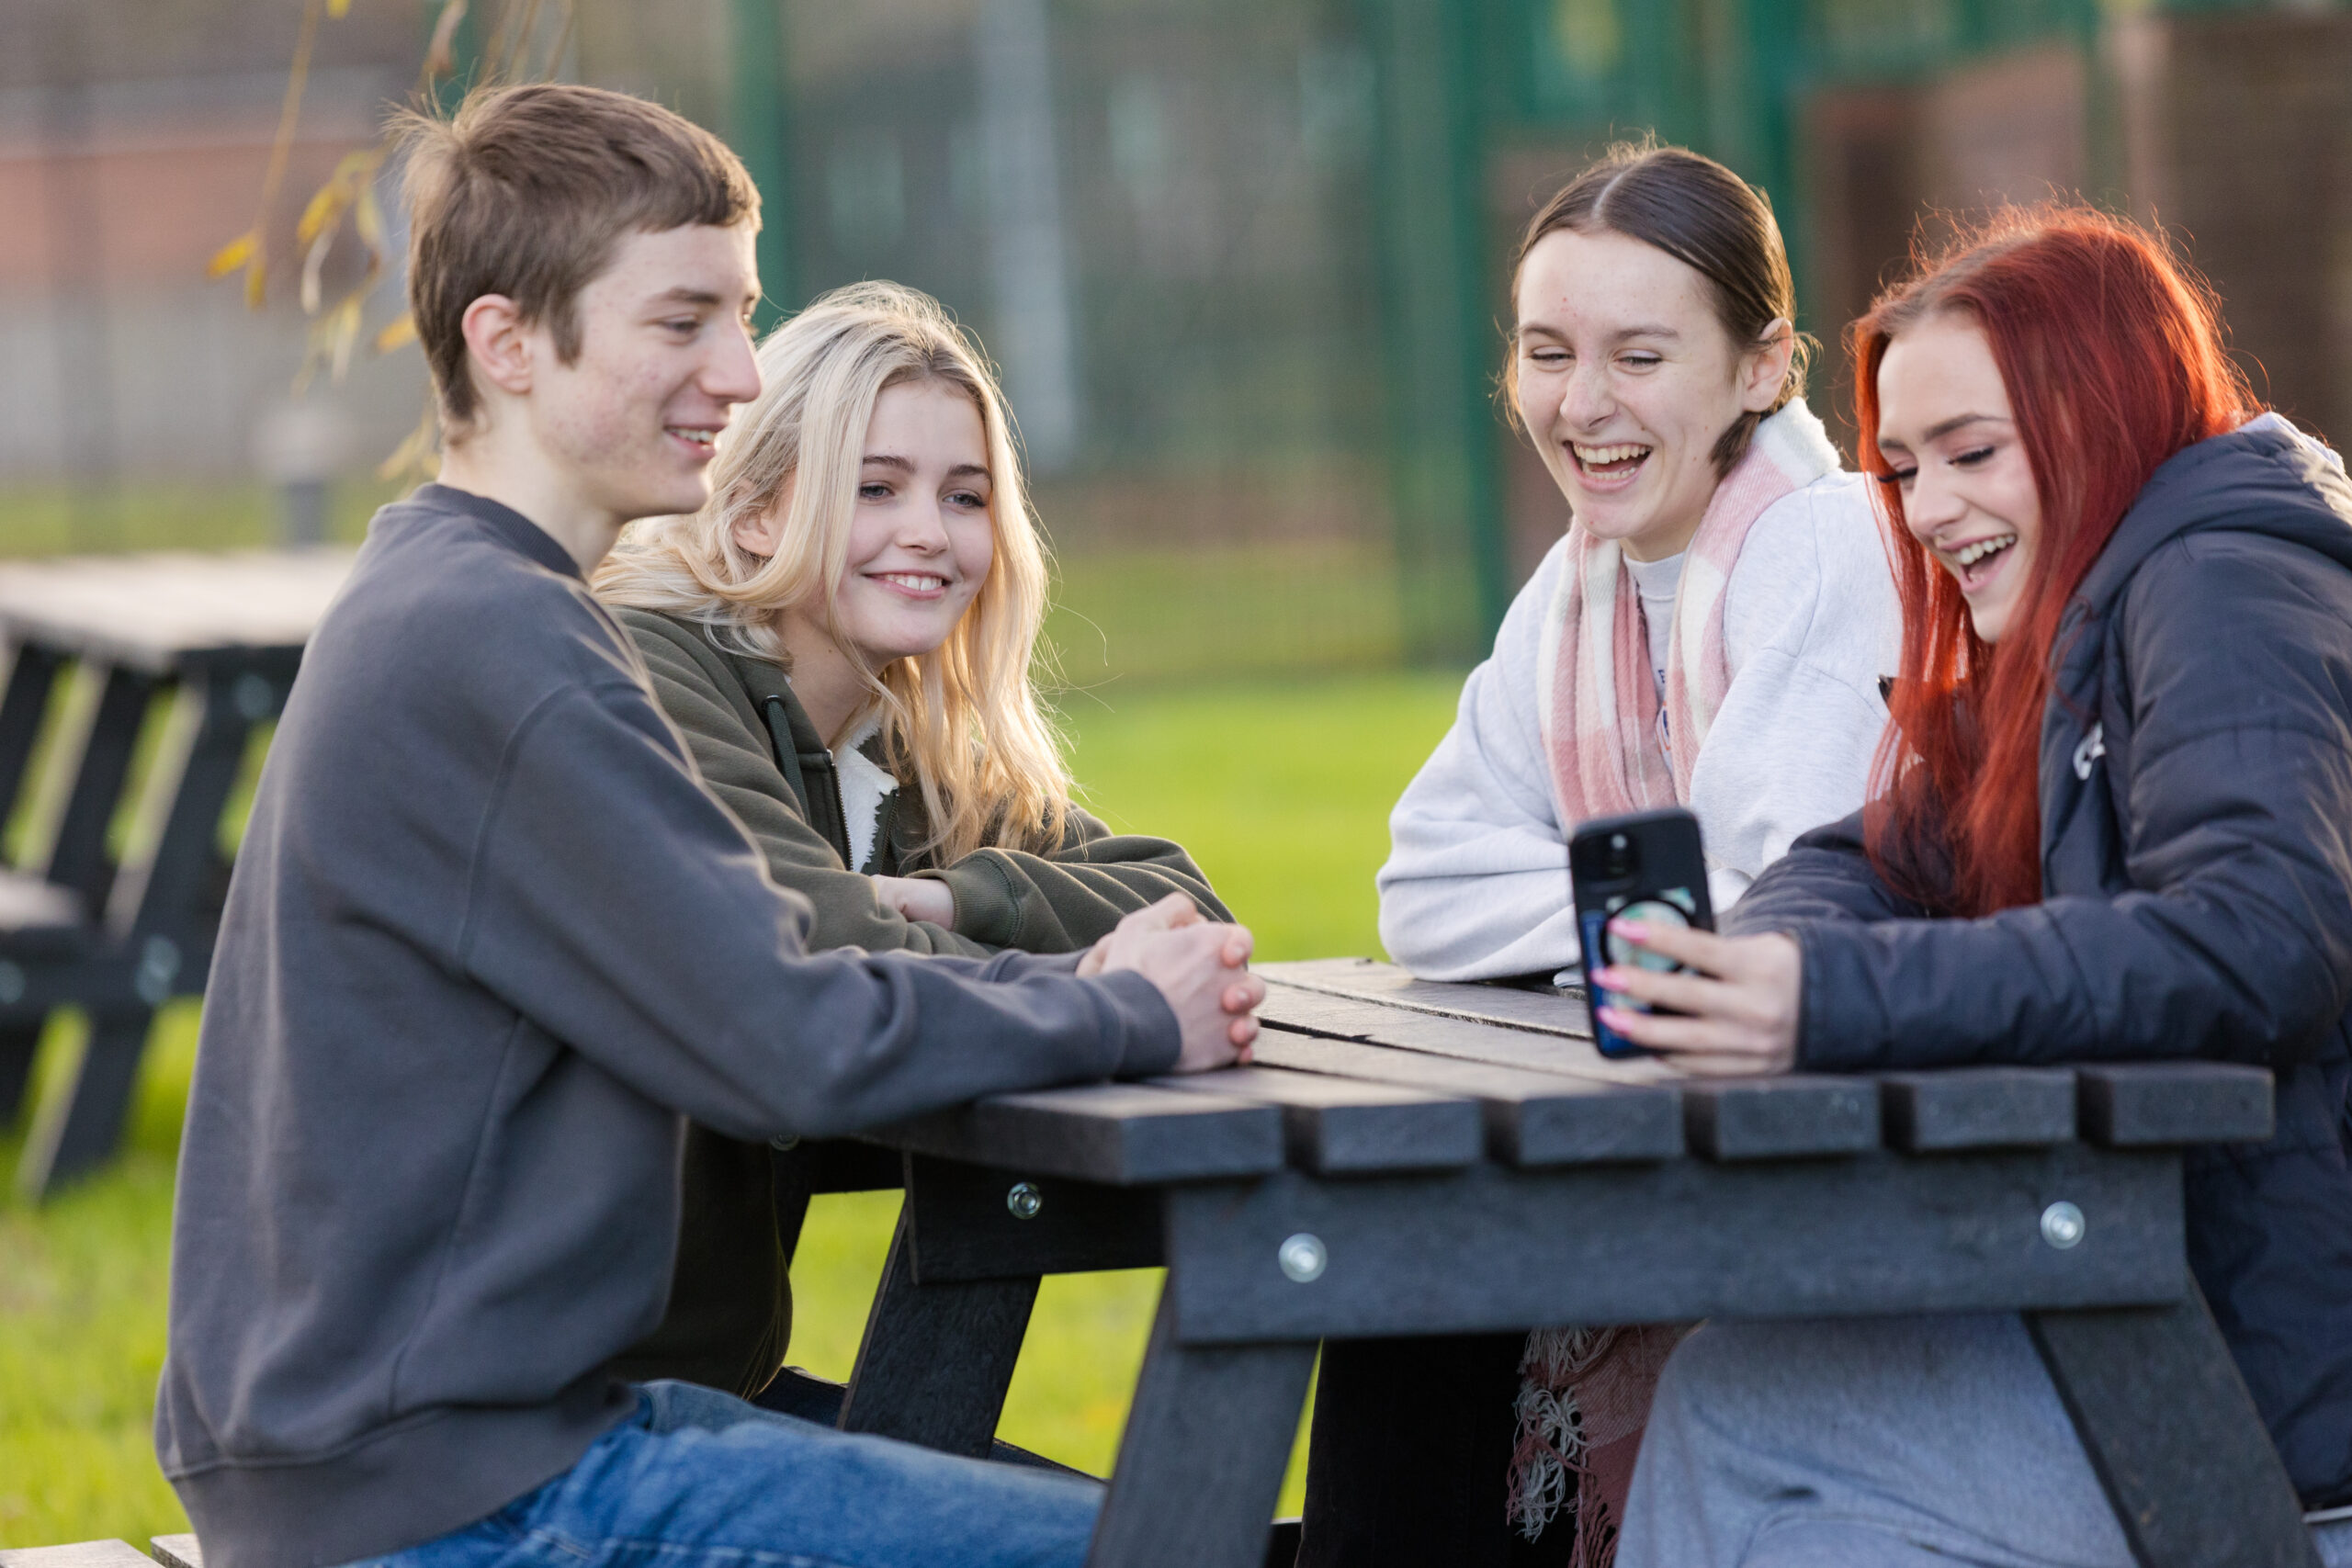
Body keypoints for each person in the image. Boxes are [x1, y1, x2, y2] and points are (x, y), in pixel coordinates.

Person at [154, 83, 1263, 1568]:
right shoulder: (503, 645)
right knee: (1174, 1550)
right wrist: (1119, 1005)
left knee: (1178, 1523)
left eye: (741, 316)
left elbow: (764, 983)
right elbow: (788, 1030)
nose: (740, 373)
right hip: (461, 1496)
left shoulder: (459, 598)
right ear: (507, 343)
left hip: (456, 1442)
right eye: (683, 322)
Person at [1591, 207, 2352, 1567]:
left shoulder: (2224, 581)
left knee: (1733, 1410)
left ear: (2101, 410)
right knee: (1810, 1523)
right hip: (2196, 1326)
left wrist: (1817, 997)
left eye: (1972, 453)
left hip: (2288, 1413)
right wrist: (1765, 966)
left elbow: (2256, 943)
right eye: (1903, 467)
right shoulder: (2093, 614)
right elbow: (1867, 854)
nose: (1931, 508)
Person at [1305, 143, 1901, 1568]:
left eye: (1641, 353)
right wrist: (1645, 909)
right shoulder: (1574, 587)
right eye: (1547, 351)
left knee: (1409, 1270)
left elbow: (1765, 912)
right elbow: (1425, 885)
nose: (1584, 404)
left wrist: (1628, 902)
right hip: (1686, 1117)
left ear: (1764, 369)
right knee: (1391, 1266)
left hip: (1872, 1146)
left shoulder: (1821, 547)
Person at [590, 280, 1229, 1398]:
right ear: (752, 513)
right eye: (874, 487)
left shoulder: (890, 749)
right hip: (552, 1427)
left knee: (1163, 1531)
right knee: (1141, 1546)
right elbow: (816, 955)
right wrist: (1105, 995)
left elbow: (1186, 903)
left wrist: (953, 900)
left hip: (692, 1397)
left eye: (965, 495)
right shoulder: (650, 674)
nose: (928, 533)